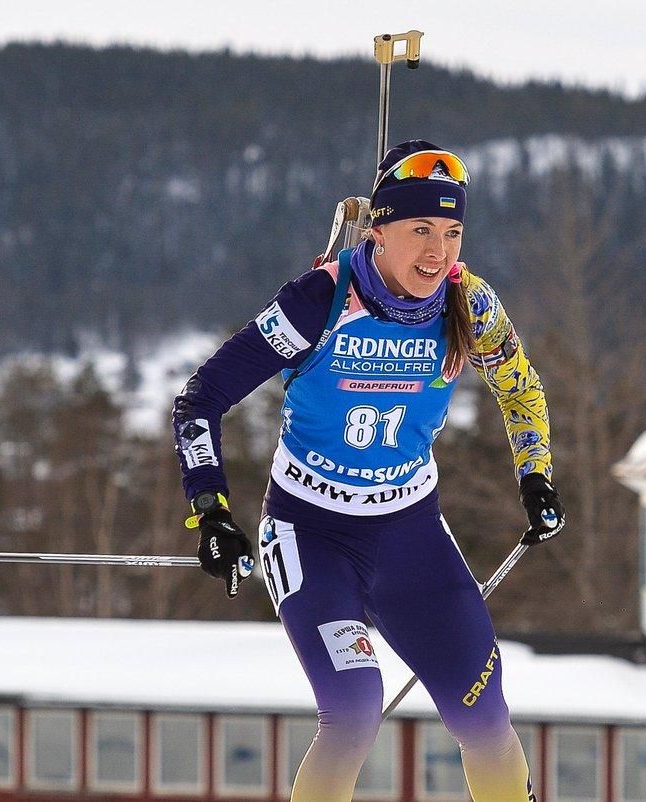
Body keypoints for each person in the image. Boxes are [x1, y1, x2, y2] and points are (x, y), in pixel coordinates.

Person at [173, 140, 564, 802]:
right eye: (419, 230)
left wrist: (535, 474)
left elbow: (520, 386)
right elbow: (200, 400)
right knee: (355, 711)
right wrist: (211, 513)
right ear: (377, 230)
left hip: (410, 535)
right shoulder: (319, 300)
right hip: (311, 533)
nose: (436, 251)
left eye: (451, 231)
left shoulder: (468, 303)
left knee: (484, 715)